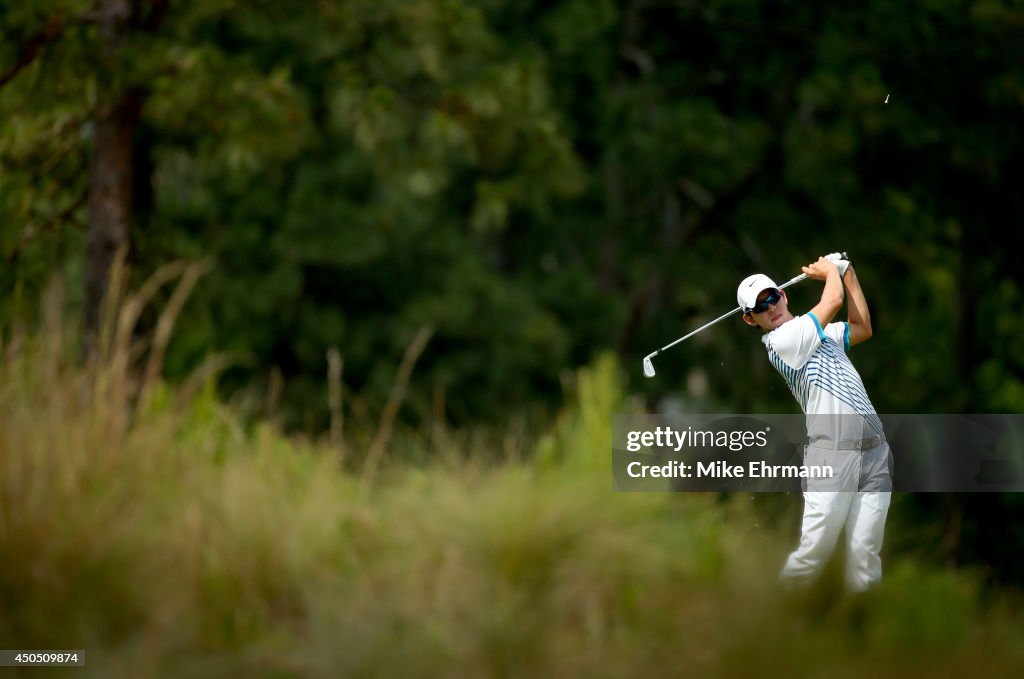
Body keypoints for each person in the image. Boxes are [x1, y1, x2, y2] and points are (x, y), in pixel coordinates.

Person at [736, 254, 892, 592]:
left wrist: (848, 273)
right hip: (832, 458)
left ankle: (861, 635)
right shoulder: (782, 342)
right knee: (813, 555)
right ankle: (771, 624)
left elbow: (863, 327)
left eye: (772, 297)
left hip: (875, 454)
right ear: (751, 320)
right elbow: (832, 300)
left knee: (865, 559)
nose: (771, 308)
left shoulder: (821, 334)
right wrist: (830, 273)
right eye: (761, 307)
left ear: (783, 295)